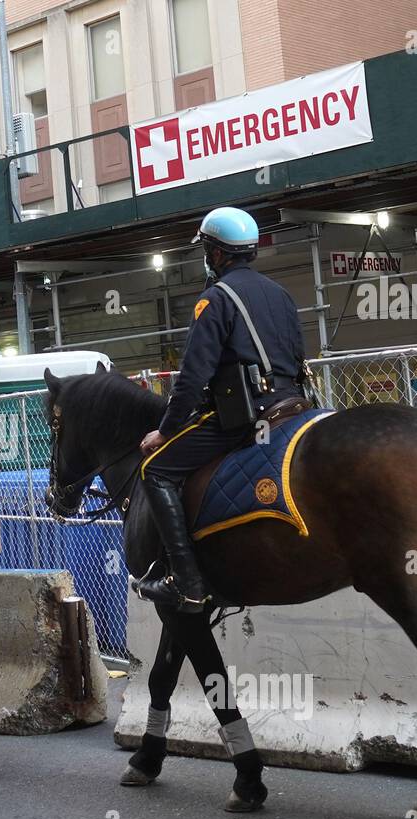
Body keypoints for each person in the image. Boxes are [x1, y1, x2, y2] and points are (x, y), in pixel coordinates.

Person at [135, 207, 307, 610]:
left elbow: (193, 378)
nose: (206, 257)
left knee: (154, 470)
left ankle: (187, 582)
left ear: (216, 253)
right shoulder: (280, 294)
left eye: (207, 250)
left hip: (247, 415)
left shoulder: (215, 299)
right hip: (293, 405)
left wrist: (166, 430)